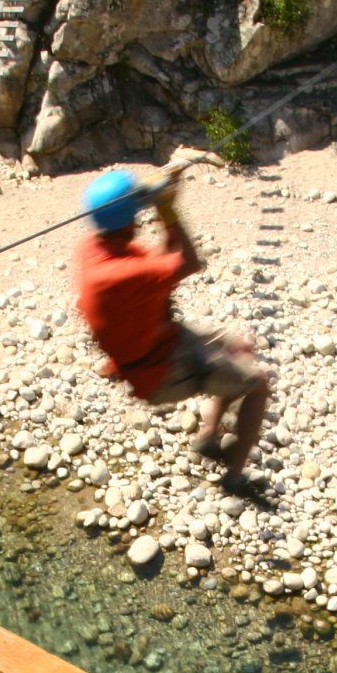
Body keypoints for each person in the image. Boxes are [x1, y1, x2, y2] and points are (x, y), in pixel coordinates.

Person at [73, 167, 272, 497]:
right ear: (129, 220)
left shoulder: (94, 250)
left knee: (238, 346)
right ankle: (234, 477)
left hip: (162, 343)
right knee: (258, 384)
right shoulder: (120, 274)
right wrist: (167, 209)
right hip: (161, 372)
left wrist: (159, 203)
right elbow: (190, 262)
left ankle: (208, 438)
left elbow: (160, 265)